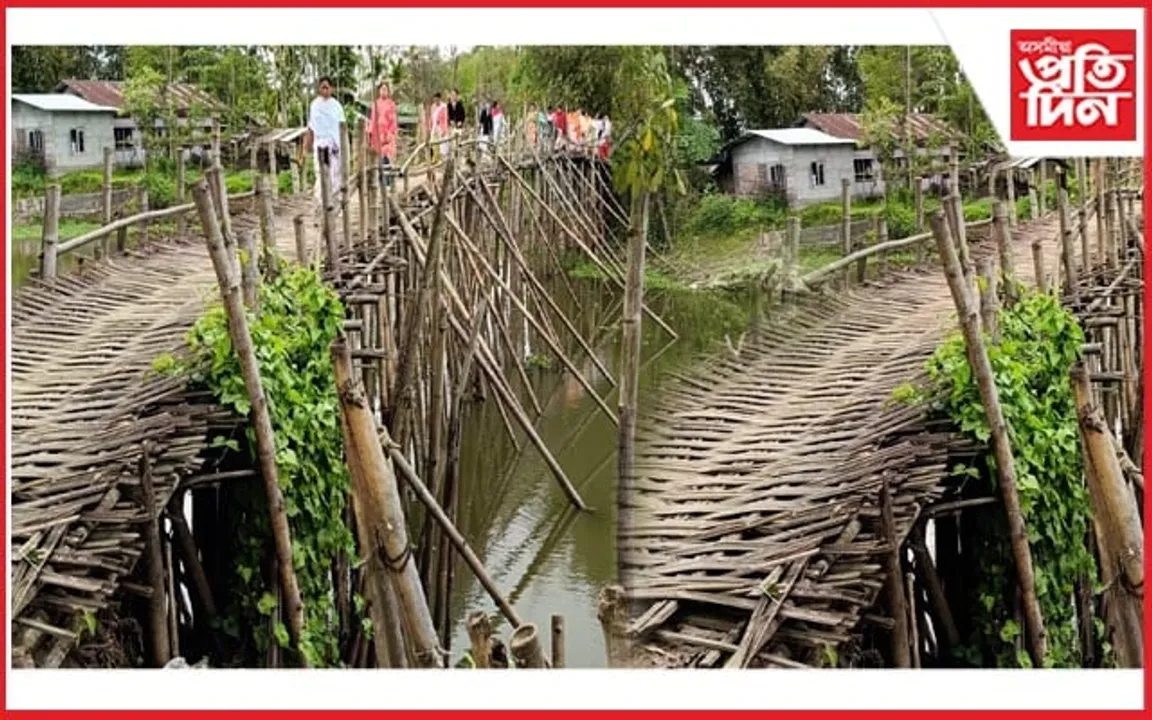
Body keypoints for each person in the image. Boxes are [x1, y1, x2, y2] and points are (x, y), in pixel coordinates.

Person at [304, 76, 345, 221]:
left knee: (334, 177)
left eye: (328, 87)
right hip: (320, 145)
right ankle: (320, 210)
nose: (325, 89)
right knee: (320, 177)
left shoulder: (337, 106)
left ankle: (333, 210)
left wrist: (341, 147)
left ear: (332, 89)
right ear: (319, 89)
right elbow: (311, 127)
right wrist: (306, 146)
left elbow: (341, 128)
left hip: (334, 147)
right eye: (322, 87)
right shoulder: (314, 105)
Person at [367, 81, 398, 189]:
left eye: (386, 89)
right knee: (378, 160)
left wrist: (389, 133)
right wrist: (371, 134)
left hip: (388, 134)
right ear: (379, 91)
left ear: (388, 91)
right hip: (377, 134)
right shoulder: (375, 104)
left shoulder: (391, 104)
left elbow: (393, 121)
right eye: (382, 89)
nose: (384, 91)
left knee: (387, 158)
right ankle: (380, 184)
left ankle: (388, 184)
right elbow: (372, 120)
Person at [430, 92, 449, 160]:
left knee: (442, 144)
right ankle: (435, 158)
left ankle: (442, 158)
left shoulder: (444, 107)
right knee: (434, 143)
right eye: (435, 100)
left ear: (439, 99)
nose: (436, 101)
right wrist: (431, 126)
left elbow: (445, 118)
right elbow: (431, 117)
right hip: (434, 127)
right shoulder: (433, 106)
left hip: (441, 127)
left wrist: (444, 129)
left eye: (437, 100)